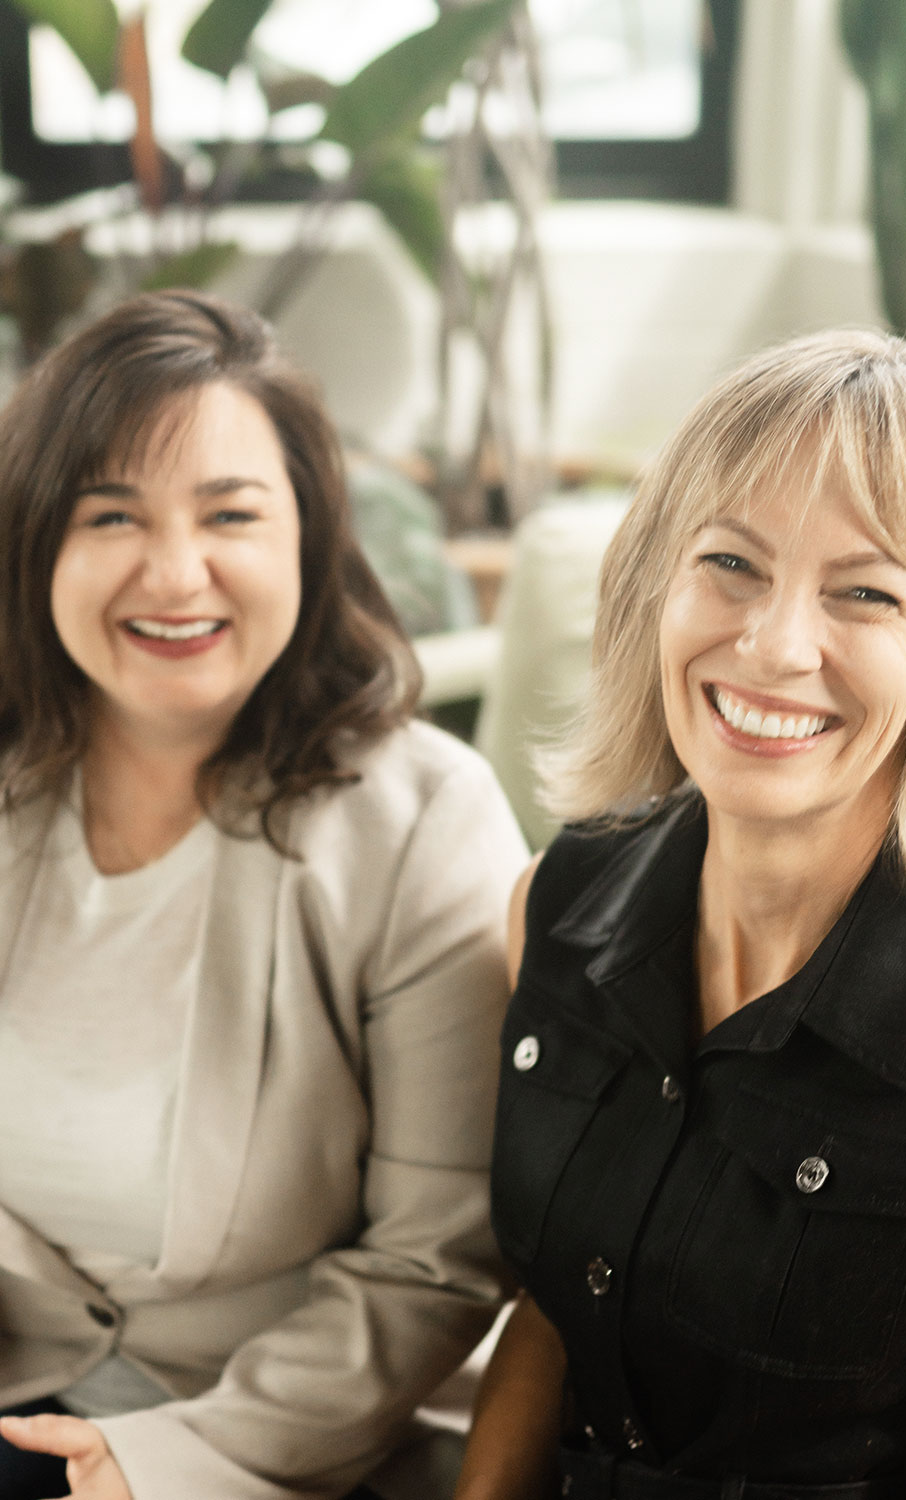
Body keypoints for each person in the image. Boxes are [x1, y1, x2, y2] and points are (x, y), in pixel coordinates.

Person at [453, 329, 906, 1500]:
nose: (772, 645)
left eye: (863, 592)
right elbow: (550, 1325)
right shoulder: (557, 904)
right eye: (731, 565)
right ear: (657, 583)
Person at [0, 288, 527, 1500]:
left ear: (308, 535)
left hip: (280, 1452)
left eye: (229, 514)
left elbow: (434, 1264)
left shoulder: (425, 824)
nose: (174, 572)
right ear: (40, 544)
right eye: (111, 514)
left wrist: (171, 1463)